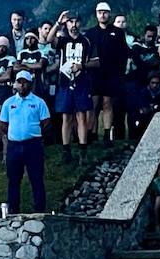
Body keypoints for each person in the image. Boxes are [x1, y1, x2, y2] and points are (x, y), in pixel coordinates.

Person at [48, 10, 98, 165]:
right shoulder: (62, 40)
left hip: (82, 82)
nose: (73, 25)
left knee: (81, 116)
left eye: (76, 21)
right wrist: (58, 22)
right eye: (70, 22)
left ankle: (83, 150)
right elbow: (47, 39)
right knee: (66, 117)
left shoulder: (87, 41)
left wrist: (81, 65)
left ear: (80, 23)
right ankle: (66, 150)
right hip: (64, 82)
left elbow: (97, 62)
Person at [0, 71, 51, 214]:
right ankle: (13, 209)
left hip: (33, 145)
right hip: (14, 145)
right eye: (19, 82)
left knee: (36, 178)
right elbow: (3, 124)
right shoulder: (9, 103)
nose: (22, 85)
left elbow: (46, 123)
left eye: (24, 82)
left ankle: (40, 209)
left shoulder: (38, 102)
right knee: (13, 179)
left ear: (30, 83)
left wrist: (36, 135)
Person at [85, 2, 129, 145]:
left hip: (112, 74)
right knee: (93, 104)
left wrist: (120, 73)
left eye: (105, 12)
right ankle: (90, 134)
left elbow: (123, 54)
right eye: (100, 12)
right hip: (95, 74)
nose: (102, 15)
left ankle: (106, 134)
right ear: (96, 14)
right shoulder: (90, 33)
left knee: (107, 103)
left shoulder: (118, 32)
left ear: (109, 14)